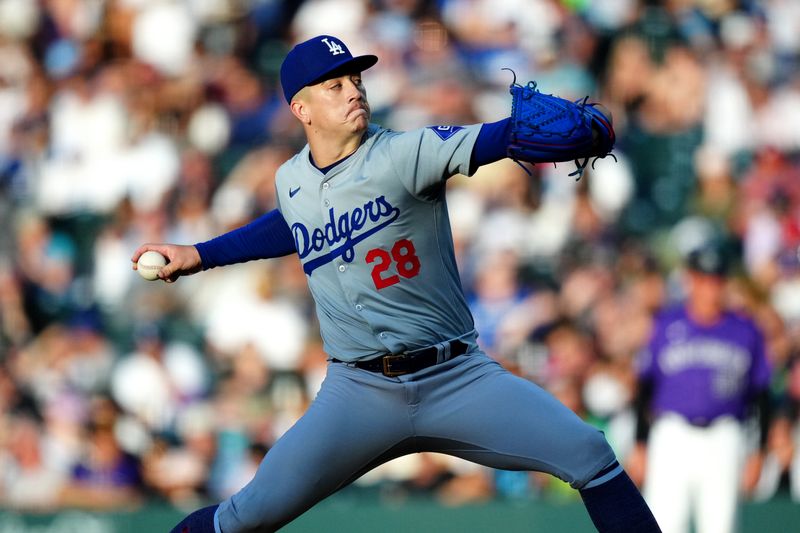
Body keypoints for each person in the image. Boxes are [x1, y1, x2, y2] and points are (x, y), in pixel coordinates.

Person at [132, 35, 660, 533]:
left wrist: (528, 133)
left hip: (457, 377)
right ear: (301, 109)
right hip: (357, 393)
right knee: (245, 517)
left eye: (355, 80)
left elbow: (493, 139)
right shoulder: (291, 180)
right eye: (334, 86)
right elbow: (291, 222)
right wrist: (199, 254)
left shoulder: (405, 153)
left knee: (589, 453)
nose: (353, 91)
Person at [627, 244, 772, 533]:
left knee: (720, 525)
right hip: (672, 434)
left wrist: (759, 451)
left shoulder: (745, 329)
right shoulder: (668, 324)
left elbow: (761, 395)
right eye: (703, 279)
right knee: (664, 524)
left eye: (716, 279)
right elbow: (645, 387)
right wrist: (640, 444)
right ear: (690, 280)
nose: (710, 288)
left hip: (725, 434)